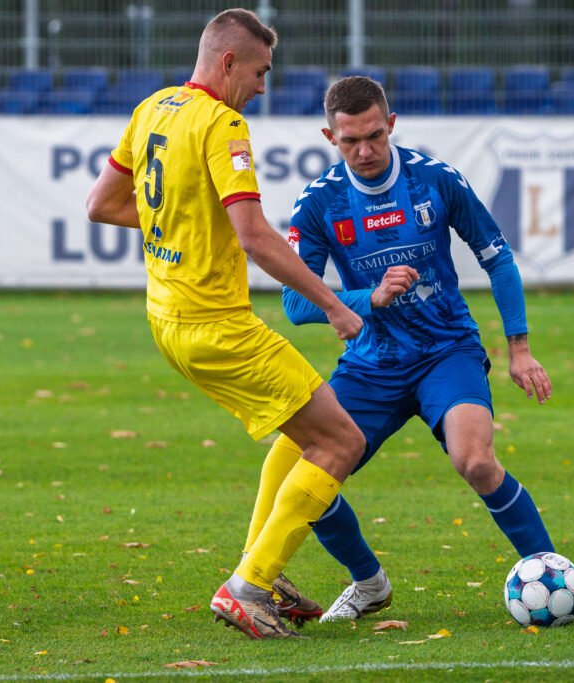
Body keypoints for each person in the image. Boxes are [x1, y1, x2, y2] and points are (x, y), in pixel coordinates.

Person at [85, 9, 367, 639]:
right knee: (341, 442)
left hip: (168, 319)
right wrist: (334, 305)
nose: (263, 87)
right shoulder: (222, 123)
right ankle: (248, 586)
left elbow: (101, 204)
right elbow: (255, 237)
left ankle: (264, 573)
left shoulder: (153, 108)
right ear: (229, 61)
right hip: (218, 325)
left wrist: (181, 222)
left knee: (303, 433)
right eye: (260, 72)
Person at [241, 75, 557, 623]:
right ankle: (369, 583)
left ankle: (550, 573)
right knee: (308, 481)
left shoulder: (435, 180)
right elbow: (295, 304)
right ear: (330, 137)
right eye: (350, 141)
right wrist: (369, 297)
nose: (364, 151)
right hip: (372, 363)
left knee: (475, 461)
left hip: (446, 351)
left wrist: (520, 347)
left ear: (390, 125)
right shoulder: (319, 203)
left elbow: (497, 258)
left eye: (374, 137)